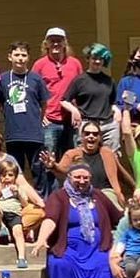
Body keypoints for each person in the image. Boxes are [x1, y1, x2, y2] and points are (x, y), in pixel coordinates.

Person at [37, 164, 124, 278]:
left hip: (98, 249)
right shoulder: (59, 196)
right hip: (69, 250)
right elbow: (50, 219)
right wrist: (42, 239)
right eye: (77, 177)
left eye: (86, 177)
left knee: (106, 266)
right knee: (59, 264)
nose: (82, 181)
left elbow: (119, 218)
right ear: (69, 178)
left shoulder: (98, 196)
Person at [0, 155, 45, 267]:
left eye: (10, 175)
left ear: (15, 177)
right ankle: (2, 228)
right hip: (0, 214)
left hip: (14, 213)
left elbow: (25, 204)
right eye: (4, 175)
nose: (7, 178)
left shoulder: (18, 188)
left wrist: (18, 193)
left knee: (18, 233)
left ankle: (22, 258)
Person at [0, 41, 49, 181]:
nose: (20, 58)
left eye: (23, 55)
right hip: (13, 134)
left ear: (28, 58)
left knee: (38, 170)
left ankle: (41, 199)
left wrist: (37, 119)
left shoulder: (36, 79)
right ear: (10, 57)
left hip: (33, 134)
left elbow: (44, 103)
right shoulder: (3, 79)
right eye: (17, 55)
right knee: (14, 171)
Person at [33, 27, 83, 174]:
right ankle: (51, 195)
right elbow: (32, 91)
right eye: (52, 40)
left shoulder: (75, 63)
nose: (56, 44)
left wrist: (78, 110)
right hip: (50, 121)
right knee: (49, 161)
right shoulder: (39, 65)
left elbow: (81, 89)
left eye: (59, 40)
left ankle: (73, 192)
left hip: (71, 121)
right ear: (46, 44)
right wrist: (39, 115)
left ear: (65, 43)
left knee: (75, 159)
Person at [53, 120, 129, 211]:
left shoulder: (107, 153)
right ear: (82, 137)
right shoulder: (72, 154)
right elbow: (61, 171)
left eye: (95, 134)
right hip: (81, 194)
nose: (91, 136)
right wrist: (53, 166)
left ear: (100, 137)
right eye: (87, 133)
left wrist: (136, 188)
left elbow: (122, 174)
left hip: (106, 194)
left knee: (115, 209)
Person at [62, 44, 119, 149]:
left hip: (108, 126)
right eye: (94, 58)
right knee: (83, 158)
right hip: (86, 125)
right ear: (88, 59)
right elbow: (64, 101)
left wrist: (117, 111)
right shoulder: (80, 80)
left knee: (111, 157)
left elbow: (113, 102)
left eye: (100, 59)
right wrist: (74, 110)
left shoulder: (109, 81)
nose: (97, 61)